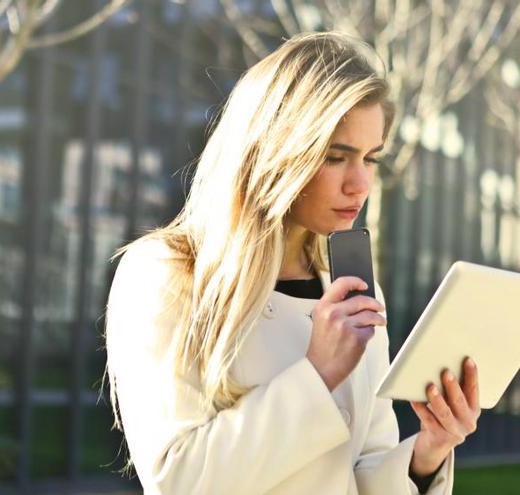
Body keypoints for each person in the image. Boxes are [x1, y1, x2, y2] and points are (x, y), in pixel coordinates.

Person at [104, 31, 480, 495]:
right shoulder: (167, 273)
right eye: (336, 157)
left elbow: (361, 469)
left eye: (370, 159)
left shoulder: (353, 286)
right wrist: (317, 373)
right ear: (277, 151)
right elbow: (178, 479)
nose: (360, 183)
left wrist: (425, 457)